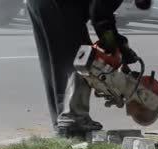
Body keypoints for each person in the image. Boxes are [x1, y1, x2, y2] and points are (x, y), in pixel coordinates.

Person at [27, 0, 151, 139]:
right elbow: (100, 17)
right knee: (82, 57)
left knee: (53, 61)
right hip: (60, 5)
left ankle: (62, 123)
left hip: (38, 4)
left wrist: (117, 46)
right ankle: (74, 118)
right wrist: (115, 46)